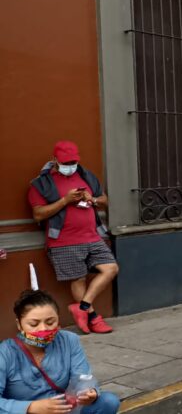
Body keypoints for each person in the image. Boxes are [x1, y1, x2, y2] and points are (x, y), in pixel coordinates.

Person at [28, 141, 117, 334]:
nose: (70, 166)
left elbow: (104, 200)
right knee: (78, 279)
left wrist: (91, 199)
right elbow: (38, 214)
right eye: (66, 162)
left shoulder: (86, 176)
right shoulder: (41, 184)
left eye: (73, 162)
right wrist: (65, 200)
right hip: (63, 241)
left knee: (110, 268)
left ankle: (82, 307)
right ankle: (94, 318)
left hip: (93, 237)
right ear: (55, 160)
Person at [0, 290, 120, 413]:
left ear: (58, 320)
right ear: (19, 325)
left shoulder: (68, 340)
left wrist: (88, 393)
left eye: (50, 322)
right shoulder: (5, 352)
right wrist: (31, 407)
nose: (43, 329)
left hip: (65, 409)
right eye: (33, 324)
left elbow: (81, 377)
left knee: (108, 401)